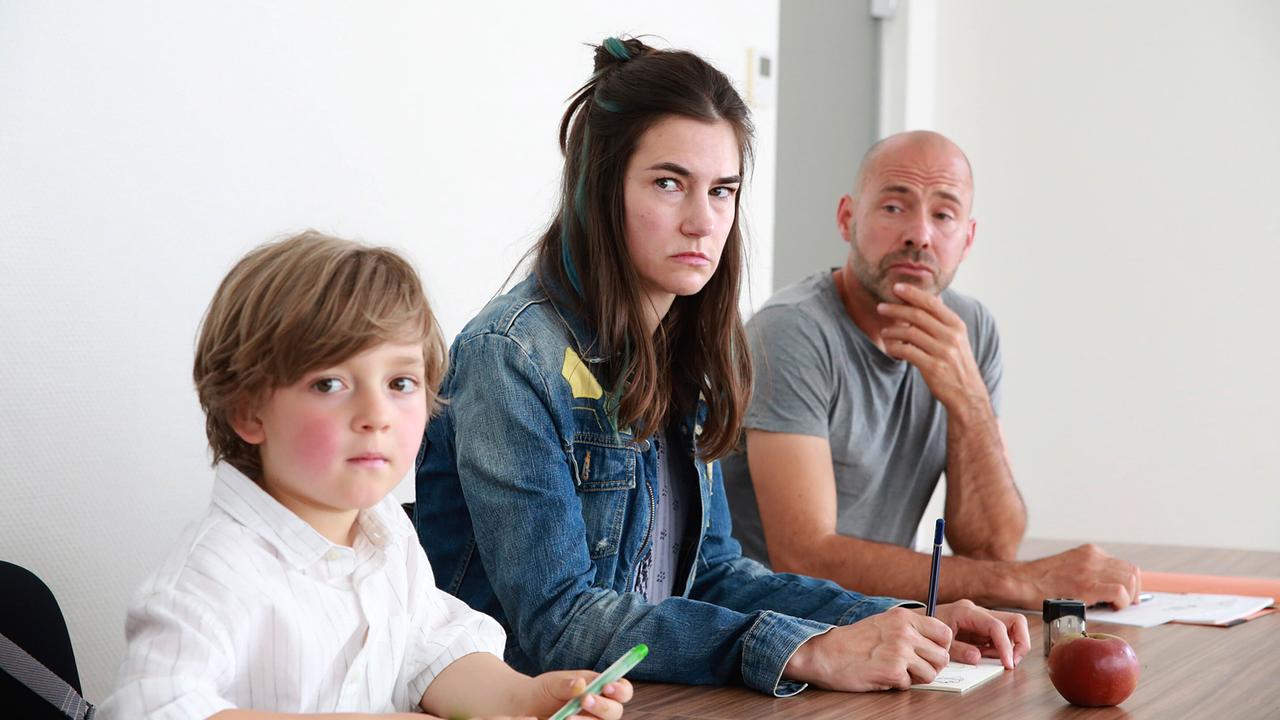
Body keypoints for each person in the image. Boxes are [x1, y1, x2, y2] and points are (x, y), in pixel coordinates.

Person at [415, 38, 1029, 699]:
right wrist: (809, 651)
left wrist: (899, 619)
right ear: (601, 189)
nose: (703, 222)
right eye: (668, 184)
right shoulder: (512, 356)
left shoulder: (683, 352)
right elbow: (559, 622)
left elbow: (712, 574)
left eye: (723, 190)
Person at [101, 232, 630, 719]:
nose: (376, 414)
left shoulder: (385, 533)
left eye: (401, 382)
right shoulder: (215, 573)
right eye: (330, 384)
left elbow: (433, 651)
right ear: (248, 411)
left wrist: (523, 699)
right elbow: (153, 708)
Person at [721, 130, 1142, 610]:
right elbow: (804, 557)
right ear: (847, 218)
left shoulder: (971, 328)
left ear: (967, 238)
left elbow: (991, 548)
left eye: (943, 214)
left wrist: (968, 399)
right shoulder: (791, 331)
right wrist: (1022, 583)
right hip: (769, 631)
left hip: (876, 623)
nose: (919, 234)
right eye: (894, 207)